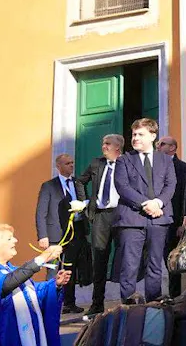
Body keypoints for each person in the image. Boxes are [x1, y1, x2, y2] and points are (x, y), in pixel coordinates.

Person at [0, 226, 70, 346]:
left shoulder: (13, 271)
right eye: (9, 239)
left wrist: (55, 285)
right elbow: (5, 285)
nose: (15, 240)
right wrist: (42, 258)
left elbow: (33, 294)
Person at [114, 118, 177, 303]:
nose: (135, 138)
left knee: (155, 265)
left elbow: (170, 184)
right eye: (134, 134)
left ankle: (153, 306)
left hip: (159, 219)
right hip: (131, 220)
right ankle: (128, 307)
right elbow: (122, 186)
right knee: (129, 266)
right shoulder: (124, 160)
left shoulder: (165, 160)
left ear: (153, 136)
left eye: (140, 134)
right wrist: (146, 204)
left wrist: (158, 202)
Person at [73, 134, 123, 318]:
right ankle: (97, 304)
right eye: (103, 143)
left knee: (126, 258)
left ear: (118, 147)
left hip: (121, 216)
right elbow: (79, 181)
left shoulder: (127, 163)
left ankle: (127, 301)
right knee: (99, 260)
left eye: (108, 144)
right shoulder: (96, 163)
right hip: (100, 216)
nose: (104, 146)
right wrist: (84, 202)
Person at [35, 153, 82, 314]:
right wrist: (42, 235)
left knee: (71, 268)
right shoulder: (48, 186)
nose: (71, 165)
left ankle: (70, 302)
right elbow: (41, 212)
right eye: (67, 163)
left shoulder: (77, 183)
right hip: (54, 234)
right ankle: (50, 302)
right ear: (59, 166)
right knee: (53, 268)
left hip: (75, 234)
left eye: (72, 163)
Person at [155, 136, 186, 298]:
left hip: (175, 221)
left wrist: (183, 222)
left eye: (161, 144)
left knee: (173, 260)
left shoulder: (183, 169)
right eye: (157, 144)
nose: (158, 147)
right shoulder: (153, 167)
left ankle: (174, 297)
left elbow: (185, 197)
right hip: (155, 220)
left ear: (173, 148)